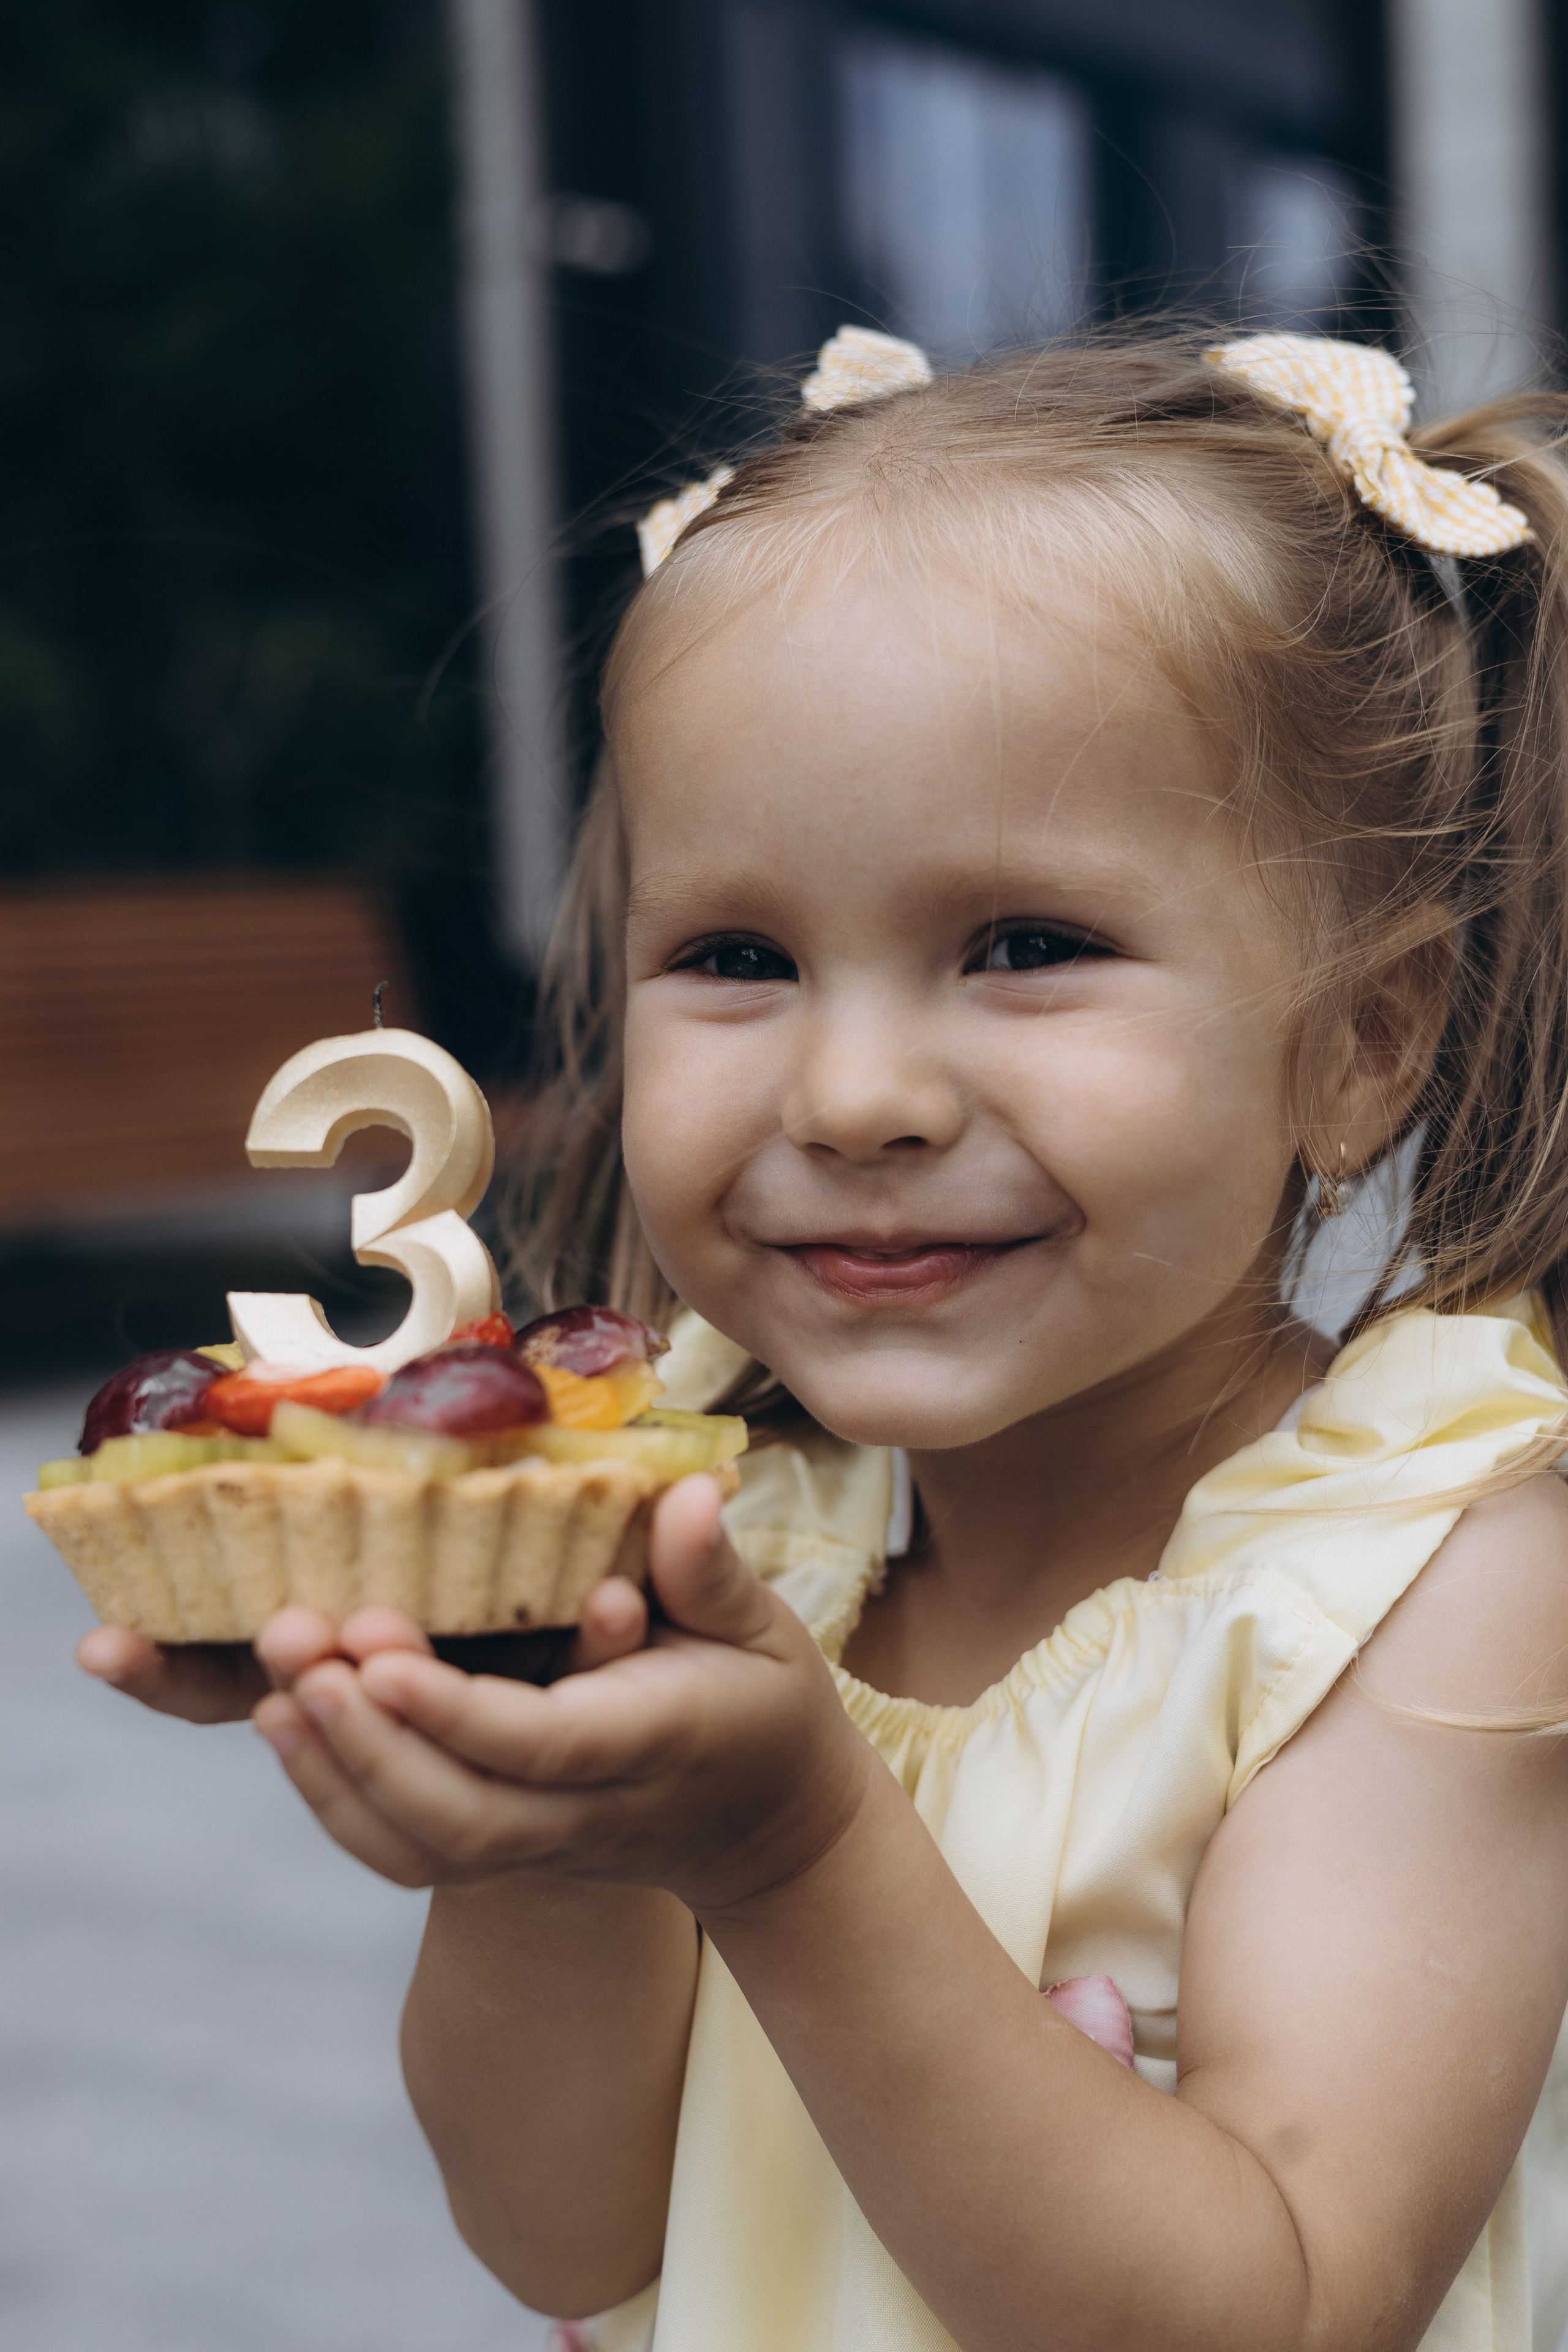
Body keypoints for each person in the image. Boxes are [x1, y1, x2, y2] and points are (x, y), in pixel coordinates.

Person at [82, 325, 1568, 2352]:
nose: (857, 1094)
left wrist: (791, 1852)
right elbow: (565, 2240)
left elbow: (1283, 2312)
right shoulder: (715, 1529)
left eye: (1026, 946)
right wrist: (542, 1821)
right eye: (739, 956)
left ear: (1363, 1043)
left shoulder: (1437, 1584)